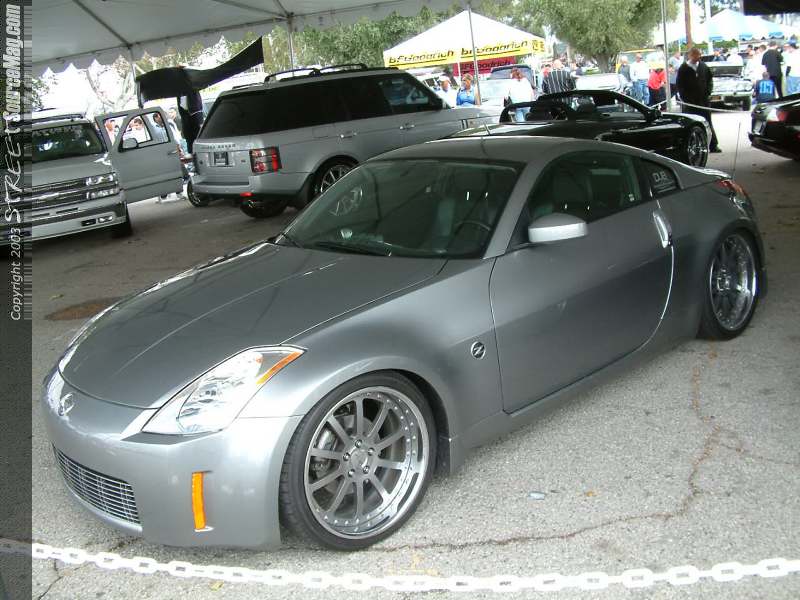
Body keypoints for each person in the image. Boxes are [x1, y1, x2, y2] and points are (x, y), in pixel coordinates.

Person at [677, 48, 719, 152]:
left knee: (707, 123)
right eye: (695, 55)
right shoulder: (683, 68)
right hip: (690, 103)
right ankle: (694, 146)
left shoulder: (703, 66)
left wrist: (708, 92)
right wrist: (685, 98)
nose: (698, 57)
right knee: (692, 124)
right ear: (690, 55)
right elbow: (680, 85)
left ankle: (713, 145)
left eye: (699, 55)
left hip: (703, 101)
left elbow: (709, 80)